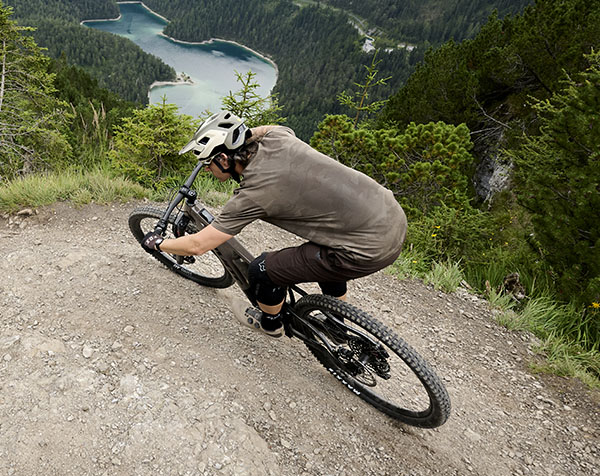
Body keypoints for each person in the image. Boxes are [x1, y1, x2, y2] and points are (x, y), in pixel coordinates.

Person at [142, 111, 407, 337]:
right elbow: (267, 128)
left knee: (260, 270)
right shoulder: (278, 137)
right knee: (326, 253)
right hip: (390, 216)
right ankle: (336, 324)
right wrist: (240, 137)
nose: (207, 168)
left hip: (366, 251)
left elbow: (199, 244)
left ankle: (270, 323)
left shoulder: (254, 192)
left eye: (208, 163)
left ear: (223, 160)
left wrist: (160, 244)